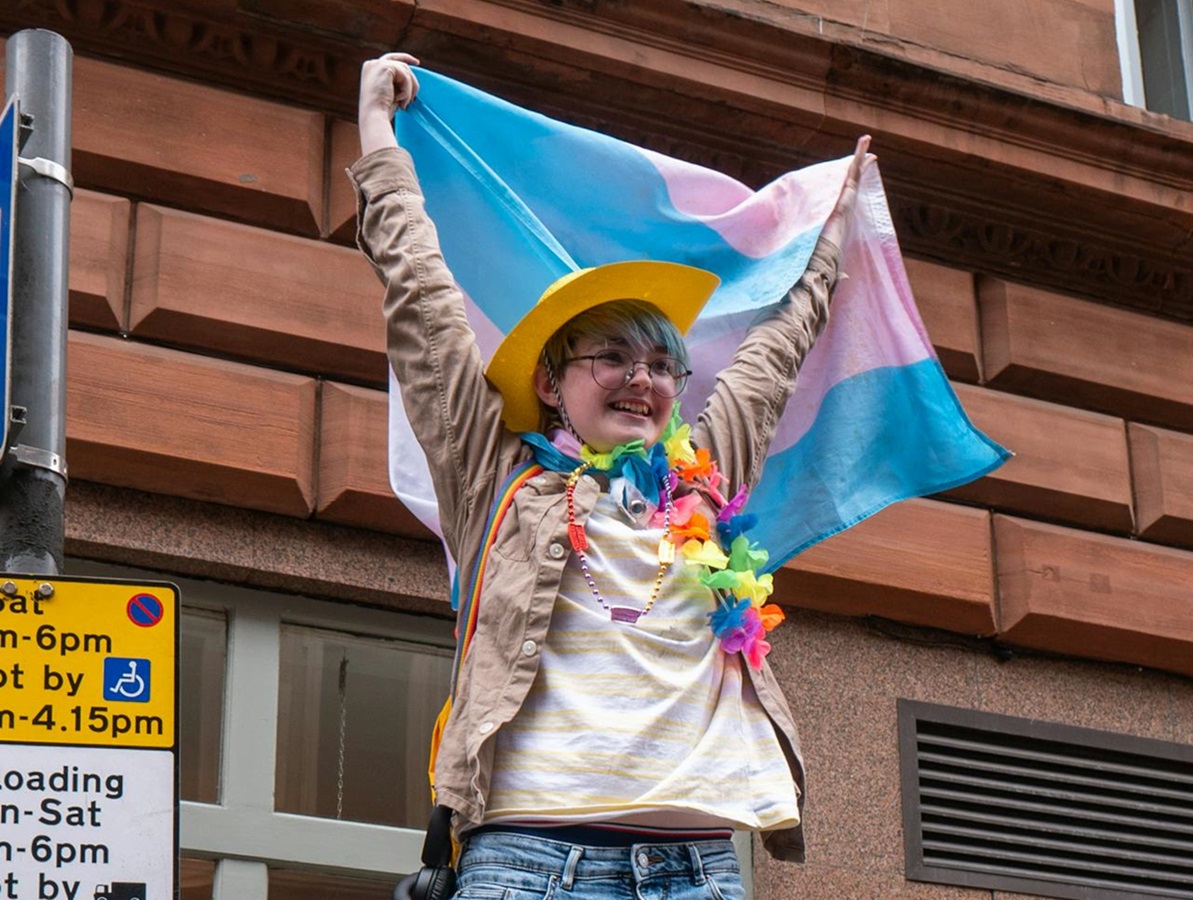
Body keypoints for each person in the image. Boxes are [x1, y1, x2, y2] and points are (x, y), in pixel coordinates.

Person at [351, 51, 870, 900]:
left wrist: (834, 228)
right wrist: (378, 130)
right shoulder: (498, 477)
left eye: (663, 363)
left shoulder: (705, 471)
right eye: (612, 357)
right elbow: (421, 298)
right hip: (527, 866)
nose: (644, 377)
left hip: (698, 872)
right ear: (552, 385)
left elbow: (778, 350)